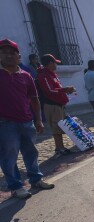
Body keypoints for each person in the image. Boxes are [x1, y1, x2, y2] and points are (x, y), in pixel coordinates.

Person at [0, 39, 54, 199]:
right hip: (5, 124)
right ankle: (16, 186)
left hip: (26, 121)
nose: (9, 56)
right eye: (4, 53)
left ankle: (36, 179)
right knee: (9, 156)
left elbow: (34, 99)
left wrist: (38, 120)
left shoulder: (26, 76)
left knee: (31, 152)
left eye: (12, 53)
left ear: (19, 56)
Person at [36, 54, 76, 155]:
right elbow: (49, 91)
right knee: (56, 127)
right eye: (55, 63)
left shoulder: (52, 75)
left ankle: (61, 146)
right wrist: (65, 89)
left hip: (58, 104)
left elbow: (57, 89)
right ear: (49, 63)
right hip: (52, 105)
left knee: (60, 126)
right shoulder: (43, 75)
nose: (56, 66)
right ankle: (59, 148)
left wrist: (66, 91)